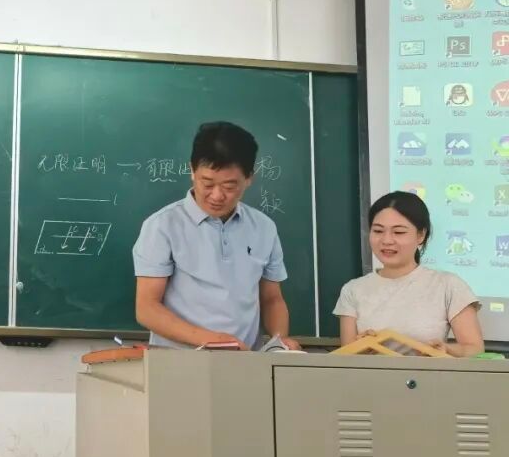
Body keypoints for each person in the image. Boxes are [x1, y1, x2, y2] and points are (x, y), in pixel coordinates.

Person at [132, 121, 297, 351]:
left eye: (229, 186)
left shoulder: (264, 228)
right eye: (207, 183)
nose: (217, 196)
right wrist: (212, 340)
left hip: (244, 361)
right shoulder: (162, 226)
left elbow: (272, 299)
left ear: (249, 178)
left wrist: (279, 341)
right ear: (192, 170)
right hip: (178, 362)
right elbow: (147, 308)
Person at [334, 191, 484, 357]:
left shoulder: (448, 285)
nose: (386, 240)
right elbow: (345, 359)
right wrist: (360, 347)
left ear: (421, 235)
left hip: (429, 373)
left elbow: (474, 349)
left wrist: (447, 350)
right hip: (371, 375)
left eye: (399, 232)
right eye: (378, 231)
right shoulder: (352, 290)